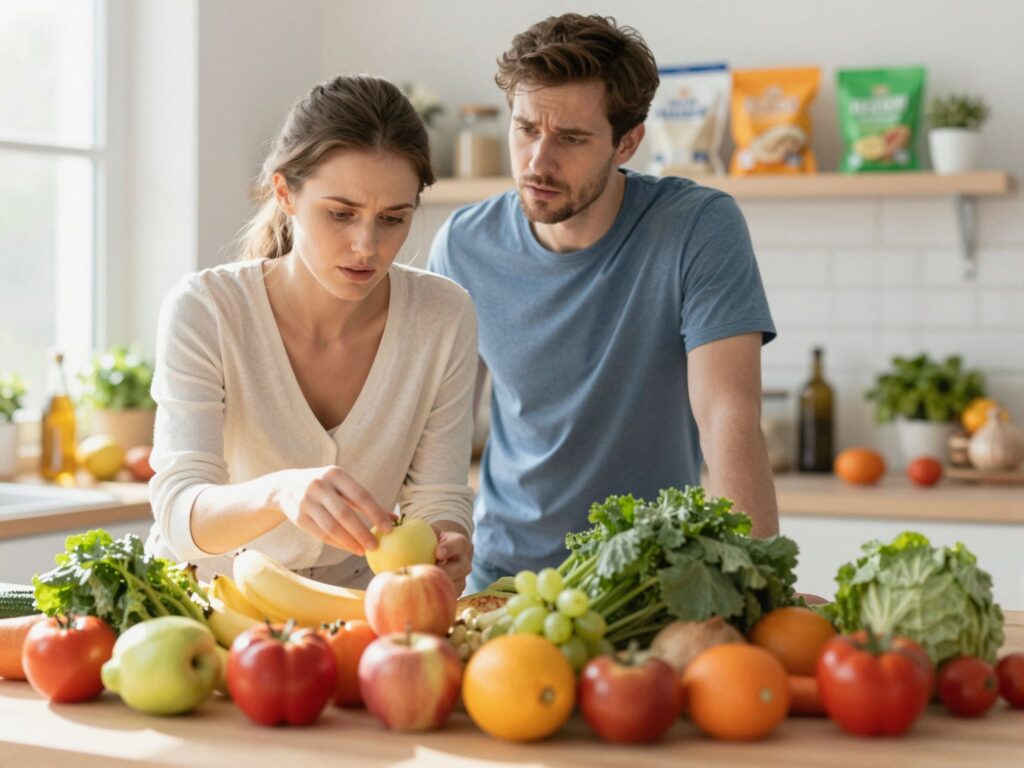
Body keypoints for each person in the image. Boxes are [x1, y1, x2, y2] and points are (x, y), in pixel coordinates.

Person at [429, 14, 778, 593]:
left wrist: (759, 588)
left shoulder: (697, 227)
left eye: (571, 138)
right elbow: (441, 427)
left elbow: (727, 417)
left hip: (653, 583)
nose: (538, 162)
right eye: (525, 129)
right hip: (502, 580)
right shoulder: (464, 244)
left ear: (627, 142)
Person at [147, 75, 477, 593]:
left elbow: (438, 496)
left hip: (355, 603)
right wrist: (280, 493)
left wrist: (447, 539)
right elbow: (179, 512)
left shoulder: (442, 315)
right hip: (204, 598)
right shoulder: (207, 309)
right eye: (340, 214)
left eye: (393, 219)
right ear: (285, 193)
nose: (366, 245)